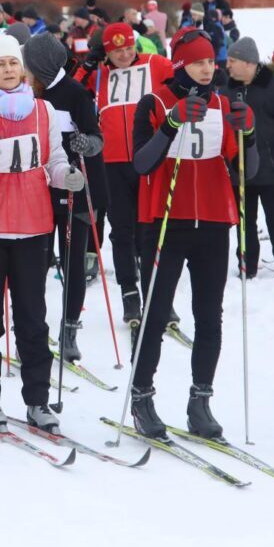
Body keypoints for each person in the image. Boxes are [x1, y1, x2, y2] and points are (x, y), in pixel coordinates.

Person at [0, 35, 82, 434]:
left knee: (32, 320)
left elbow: (54, 159)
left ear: (23, 69)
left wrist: (66, 177)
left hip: (32, 227)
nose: (8, 70)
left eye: (12, 63)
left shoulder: (43, 111)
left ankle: (37, 400)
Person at [127, 31, 257, 438]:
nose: (208, 68)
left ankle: (200, 401)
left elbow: (247, 172)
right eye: (198, 62)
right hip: (166, 221)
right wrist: (170, 124)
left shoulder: (223, 103)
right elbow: (141, 164)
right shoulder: (155, 102)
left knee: (209, 315)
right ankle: (142, 395)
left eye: (211, 62)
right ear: (181, 64)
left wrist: (248, 135)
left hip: (214, 222)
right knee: (156, 312)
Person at [72, 23, 174, 323]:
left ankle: (158, 294)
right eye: (117, 51)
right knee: (122, 231)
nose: (125, 55)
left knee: (151, 229)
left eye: (129, 48)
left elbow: (180, 77)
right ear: (107, 52)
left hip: (149, 159)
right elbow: (75, 91)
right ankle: (130, 294)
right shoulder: (101, 74)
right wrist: (86, 66)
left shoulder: (154, 64)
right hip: (112, 162)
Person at [22, 33, 106, 361]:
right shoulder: (28, 94)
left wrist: (86, 143)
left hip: (76, 188)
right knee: (36, 261)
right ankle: (32, 327)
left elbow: (97, 137)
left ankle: (70, 328)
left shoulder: (75, 93)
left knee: (72, 263)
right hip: (40, 188)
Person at [226, 37, 274, 281]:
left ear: (249, 63)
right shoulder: (228, 89)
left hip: (271, 168)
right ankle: (247, 266)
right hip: (240, 169)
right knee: (244, 223)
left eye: (232, 61)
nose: (227, 65)